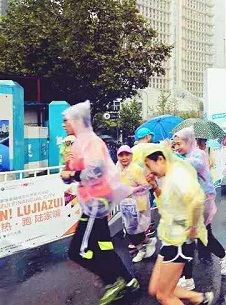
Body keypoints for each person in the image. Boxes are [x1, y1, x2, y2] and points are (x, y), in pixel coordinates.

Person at [59, 101, 139, 305]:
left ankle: (113, 281)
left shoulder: (91, 142)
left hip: (96, 203)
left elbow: (96, 171)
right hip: (93, 203)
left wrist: (72, 173)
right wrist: (67, 174)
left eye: (65, 120)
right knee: (103, 247)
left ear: (77, 121)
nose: (63, 125)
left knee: (77, 251)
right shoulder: (77, 144)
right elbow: (71, 175)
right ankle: (128, 281)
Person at [142, 144, 214, 305]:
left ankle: (199, 298)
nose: (149, 171)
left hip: (179, 241)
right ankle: (199, 298)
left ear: (160, 159)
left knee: (164, 295)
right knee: (155, 289)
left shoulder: (177, 175)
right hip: (170, 240)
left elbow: (196, 200)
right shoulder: (168, 177)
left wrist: (193, 227)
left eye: (149, 165)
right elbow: (167, 208)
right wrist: (155, 187)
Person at [172, 127, 226, 291]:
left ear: (188, 141)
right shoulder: (183, 156)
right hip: (189, 204)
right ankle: (222, 256)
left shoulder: (198, 154)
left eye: (179, 144)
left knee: (191, 239)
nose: (176, 148)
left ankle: (188, 278)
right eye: (174, 145)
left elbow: (193, 166)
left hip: (201, 203)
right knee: (203, 237)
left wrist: (173, 157)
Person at [116, 145, 157, 263]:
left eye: (127, 154)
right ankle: (143, 246)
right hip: (126, 204)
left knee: (136, 229)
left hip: (139, 204)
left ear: (131, 156)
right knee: (129, 230)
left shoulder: (137, 169)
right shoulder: (117, 170)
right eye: (121, 155)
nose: (124, 158)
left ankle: (143, 246)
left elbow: (147, 185)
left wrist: (132, 190)